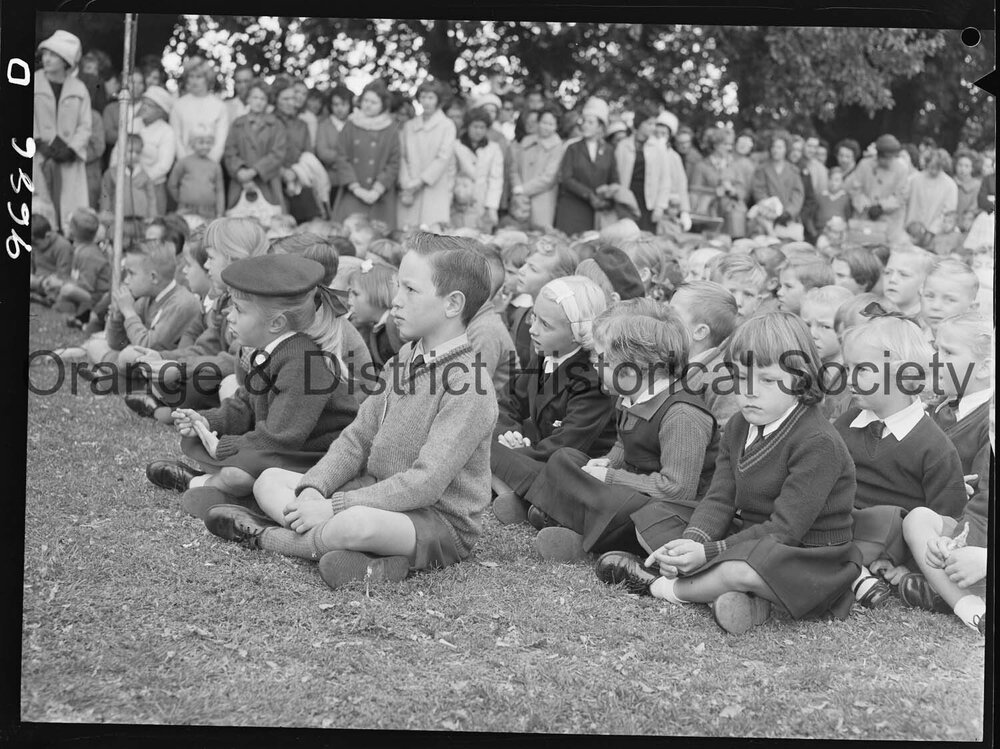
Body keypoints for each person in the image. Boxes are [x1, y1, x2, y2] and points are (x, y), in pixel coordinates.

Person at [203, 233, 499, 590]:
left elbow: (426, 484)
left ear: (453, 304)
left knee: (356, 525)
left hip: (434, 520)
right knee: (270, 479)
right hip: (375, 492)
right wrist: (315, 488)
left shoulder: (469, 386)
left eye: (410, 290)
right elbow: (357, 437)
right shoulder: (404, 358)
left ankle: (267, 536)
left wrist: (335, 506)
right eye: (397, 287)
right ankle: (366, 559)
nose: (396, 301)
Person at [596, 312, 862, 636]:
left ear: (801, 378)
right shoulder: (738, 425)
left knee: (741, 570)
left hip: (808, 557)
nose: (749, 391)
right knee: (657, 515)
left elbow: (784, 530)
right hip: (753, 537)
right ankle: (736, 597)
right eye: (741, 377)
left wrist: (706, 552)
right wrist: (691, 543)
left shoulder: (818, 442)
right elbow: (720, 498)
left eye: (767, 379)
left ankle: (661, 587)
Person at [145, 254, 360, 519]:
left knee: (239, 473)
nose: (229, 316)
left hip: (321, 456)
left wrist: (225, 446)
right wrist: (208, 420)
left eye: (239, 310)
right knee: (226, 459)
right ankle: (223, 489)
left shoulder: (303, 362)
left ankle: (201, 484)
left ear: (276, 323)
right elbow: (246, 403)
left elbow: (282, 437)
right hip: (291, 446)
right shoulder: (270, 350)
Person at [522, 299, 719, 563]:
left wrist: (610, 477)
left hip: (672, 508)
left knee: (638, 513)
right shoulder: (628, 396)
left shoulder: (682, 414)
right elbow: (623, 444)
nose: (593, 365)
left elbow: (677, 490)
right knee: (566, 458)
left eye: (601, 359)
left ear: (633, 367)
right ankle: (572, 522)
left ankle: (573, 527)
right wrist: (607, 464)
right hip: (634, 488)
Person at [834, 317, 966, 607]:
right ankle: (850, 571)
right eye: (848, 368)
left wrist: (913, 567)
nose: (850, 378)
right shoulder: (846, 424)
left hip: (888, 535)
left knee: (888, 518)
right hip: (840, 523)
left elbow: (945, 521)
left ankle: (850, 571)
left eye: (863, 370)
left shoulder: (934, 446)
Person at [490, 275, 617, 525]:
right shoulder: (544, 353)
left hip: (570, 467)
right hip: (533, 451)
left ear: (579, 332)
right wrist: (508, 434)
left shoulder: (592, 379)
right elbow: (508, 402)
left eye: (545, 324)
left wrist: (519, 451)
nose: (533, 328)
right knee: (482, 438)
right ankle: (516, 493)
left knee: (485, 451)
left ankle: (524, 496)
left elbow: (568, 445)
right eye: (534, 317)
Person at [898, 312, 990, 634]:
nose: (936, 359)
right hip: (955, 520)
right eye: (935, 349)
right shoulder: (940, 409)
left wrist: (970, 549)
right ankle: (960, 600)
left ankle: (954, 596)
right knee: (917, 519)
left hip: (979, 533)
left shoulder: (987, 419)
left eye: (948, 352)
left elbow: (985, 499)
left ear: (985, 367)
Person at [125, 218, 271, 420]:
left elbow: (234, 360)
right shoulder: (226, 299)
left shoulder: (255, 306)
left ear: (233, 259)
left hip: (251, 385)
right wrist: (166, 358)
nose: (205, 264)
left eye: (211, 258)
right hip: (219, 373)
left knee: (206, 384)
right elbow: (206, 346)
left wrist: (179, 368)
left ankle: (166, 410)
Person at [82, 239, 201, 367]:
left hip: (165, 371)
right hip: (139, 361)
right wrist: (118, 314)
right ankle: (111, 367)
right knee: (98, 345)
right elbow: (116, 343)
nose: (126, 280)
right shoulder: (146, 298)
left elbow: (147, 347)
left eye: (131, 273)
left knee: (127, 355)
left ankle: (110, 368)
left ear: (153, 277)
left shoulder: (181, 303)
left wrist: (128, 312)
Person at [33, 30, 93, 233]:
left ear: (66, 60)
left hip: (68, 159)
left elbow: (85, 125)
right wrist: (37, 141)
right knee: (41, 210)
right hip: (39, 156)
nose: (46, 59)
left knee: (70, 211)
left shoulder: (79, 88)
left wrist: (72, 148)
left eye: (53, 55)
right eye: (45, 54)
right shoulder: (33, 81)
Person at [668, 281, 741, 435]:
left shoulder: (721, 378)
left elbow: (728, 436)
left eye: (671, 314)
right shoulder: (673, 364)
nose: (662, 319)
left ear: (700, 332)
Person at [332, 79, 401, 230]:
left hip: (380, 196)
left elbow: (394, 162)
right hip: (353, 192)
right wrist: (355, 187)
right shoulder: (351, 125)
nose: (368, 105)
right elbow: (342, 157)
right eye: (366, 100)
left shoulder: (391, 129)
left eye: (374, 102)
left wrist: (377, 190)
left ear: (383, 105)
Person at [397, 79, 457, 231]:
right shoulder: (410, 126)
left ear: (438, 100)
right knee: (407, 233)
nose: (426, 102)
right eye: (423, 97)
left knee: (433, 235)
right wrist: (406, 181)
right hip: (409, 189)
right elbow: (402, 156)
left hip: (434, 188)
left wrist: (420, 181)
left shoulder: (447, 126)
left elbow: (443, 158)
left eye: (431, 98)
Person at [554, 97, 619, 236]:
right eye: (584, 121)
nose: (585, 125)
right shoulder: (572, 148)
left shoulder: (609, 150)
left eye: (591, 122)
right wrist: (590, 195)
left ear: (600, 127)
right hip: (571, 209)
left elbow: (614, 179)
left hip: (597, 212)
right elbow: (566, 178)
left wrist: (607, 196)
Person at [507, 245, 579, 369]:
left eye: (533, 269)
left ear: (557, 279)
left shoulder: (561, 327)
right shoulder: (521, 314)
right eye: (525, 264)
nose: (521, 270)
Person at [109, 86, 176, 216]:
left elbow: (164, 164)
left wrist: (146, 177)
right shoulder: (132, 123)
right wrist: (114, 172)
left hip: (153, 186)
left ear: (161, 111)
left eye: (150, 105)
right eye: (144, 102)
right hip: (125, 184)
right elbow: (117, 150)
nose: (144, 107)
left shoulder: (167, 131)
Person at [223, 79, 287, 212]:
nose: (258, 102)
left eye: (263, 98)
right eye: (255, 97)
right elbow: (230, 152)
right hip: (240, 182)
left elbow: (278, 154)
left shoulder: (276, 125)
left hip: (267, 182)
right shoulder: (237, 124)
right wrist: (240, 171)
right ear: (248, 99)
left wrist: (254, 171)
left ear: (267, 101)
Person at [614, 106, 676, 234]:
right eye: (649, 123)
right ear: (639, 124)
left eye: (654, 124)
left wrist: (660, 207)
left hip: (649, 203)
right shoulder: (623, 145)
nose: (653, 127)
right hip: (628, 201)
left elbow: (665, 179)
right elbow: (616, 175)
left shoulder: (659, 147)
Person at [798, 285, 855, 420]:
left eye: (824, 326)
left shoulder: (854, 378)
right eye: (807, 325)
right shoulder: (798, 369)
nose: (812, 334)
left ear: (846, 329)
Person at [272, 78, 323, 223]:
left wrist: (294, 172)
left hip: (298, 179)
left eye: (293, 98)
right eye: (285, 99)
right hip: (273, 179)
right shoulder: (269, 121)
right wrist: (282, 172)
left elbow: (307, 155)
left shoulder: (302, 125)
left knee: (309, 226)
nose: (290, 103)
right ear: (276, 99)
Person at [844, 134, 910, 243]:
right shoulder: (865, 165)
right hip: (865, 219)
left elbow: (901, 196)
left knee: (886, 251)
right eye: (885, 158)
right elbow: (854, 189)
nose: (888, 161)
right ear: (879, 155)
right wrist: (865, 204)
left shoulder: (901, 169)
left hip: (890, 223)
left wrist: (881, 206)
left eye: (891, 158)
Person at [508, 105, 564, 230]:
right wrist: (517, 188)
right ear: (538, 122)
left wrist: (523, 189)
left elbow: (549, 178)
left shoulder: (557, 146)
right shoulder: (526, 141)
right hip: (519, 200)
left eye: (551, 124)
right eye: (544, 122)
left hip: (542, 201)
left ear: (556, 126)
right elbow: (514, 169)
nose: (546, 127)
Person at [51, 208, 110, 323]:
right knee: (63, 291)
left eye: (68, 224)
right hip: (89, 294)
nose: (66, 226)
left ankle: (83, 317)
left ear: (73, 231)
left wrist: (61, 284)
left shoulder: (88, 254)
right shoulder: (81, 249)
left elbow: (87, 287)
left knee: (66, 290)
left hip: (99, 298)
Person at [688, 127, 748, 238]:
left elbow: (742, 190)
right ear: (715, 145)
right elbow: (694, 192)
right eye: (725, 144)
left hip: (731, 216)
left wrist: (733, 191)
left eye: (730, 144)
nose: (729, 148)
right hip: (709, 214)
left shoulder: (735, 165)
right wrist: (714, 191)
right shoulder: (701, 166)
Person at [453, 108, 505, 233]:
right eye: (475, 126)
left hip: (482, 203)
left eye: (482, 127)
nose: (478, 131)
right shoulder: (456, 146)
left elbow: (496, 179)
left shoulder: (493, 148)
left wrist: (491, 207)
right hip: (459, 202)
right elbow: (450, 175)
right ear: (468, 126)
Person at [170, 57, 229, 164]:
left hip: (211, 165)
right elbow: (176, 137)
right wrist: (185, 163)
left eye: (199, 77)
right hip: (185, 165)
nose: (194, 81)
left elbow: (221, 140)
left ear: (207, 79)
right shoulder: (178, 105)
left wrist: (210, 163)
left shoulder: (219, 106)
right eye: (191, 76)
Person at [346, 260, 402, 370]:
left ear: (377, 294)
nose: (349, 300)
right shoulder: (375, 326)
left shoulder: (394, 325)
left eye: (355, 293)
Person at [99, 133, 158, 221]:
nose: (134, 155)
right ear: (121, 151)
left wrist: (152, 216)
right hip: (118, 218)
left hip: (141, 218)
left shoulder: (145, 175)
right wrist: (105, 213)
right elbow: (106, 194)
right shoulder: (111, 173)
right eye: (130, 151)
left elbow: (151, 198)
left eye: (138, 152)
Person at [751, 132, 804, 227]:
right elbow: (759, 191)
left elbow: (798, 195)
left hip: (788, 219)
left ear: (786, 149)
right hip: (766, 217)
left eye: (779, 147)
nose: (775, 150)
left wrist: (788, 212)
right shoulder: (762, 169)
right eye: (773, 147)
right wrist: (772, 209)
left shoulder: (793, 171)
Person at [905, 148, 958, 236]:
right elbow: (904, 203)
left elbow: (949, 211)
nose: (934, 171)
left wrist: (932, 230)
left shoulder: (950, 185)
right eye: (931, 167)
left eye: (938, 168)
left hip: (935, 234)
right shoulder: (913, 180)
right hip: (910, 230)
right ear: (926, 164)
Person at [315, 85, 355, 202]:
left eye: (343, 104)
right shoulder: (324, 125)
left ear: (350, 105)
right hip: (333, 180)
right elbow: (322, 152)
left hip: (354, 179)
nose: (339, 109)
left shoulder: (356, 124)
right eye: (336, 105)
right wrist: (346, 160)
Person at [881, 244, 935, 319]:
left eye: (903, 275)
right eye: (887, 272)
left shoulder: (929, 322)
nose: (892, 279)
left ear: (924, 284)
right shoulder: (874, 311)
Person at [29, 214, 75, 302]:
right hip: (35, 287)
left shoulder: (63, 247)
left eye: (36, 244)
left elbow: (63, 277)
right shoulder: (34, 246)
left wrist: (40, 282)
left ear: (47, 236)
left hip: (50, 289)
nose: (34, 248)